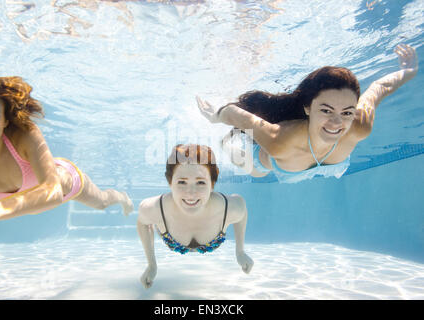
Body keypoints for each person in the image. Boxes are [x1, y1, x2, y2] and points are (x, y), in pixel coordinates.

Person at [196, 44, 418, 183]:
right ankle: (227, 143)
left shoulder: (359, 126)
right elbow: (235, 113)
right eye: (326, 110)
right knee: (255, 171)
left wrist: (407, 71)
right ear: (307, 108)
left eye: (347, 112)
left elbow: (379, 88)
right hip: (266, 161)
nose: (337, 122)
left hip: (322, 164)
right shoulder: (280, 140)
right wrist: (215, 117)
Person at [0, 75, 134, 234]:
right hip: (32, 198)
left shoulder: (23, 134)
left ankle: (121, 197)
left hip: (63, 182)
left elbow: (53, 192)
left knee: (102, 202)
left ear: (5, 120)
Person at [137, 144, 253, 289]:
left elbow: (242, 213)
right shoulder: (153, 209)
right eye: (182, 182)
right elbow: (143, 223)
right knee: (154, 221)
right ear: (170, 182)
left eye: (200, 182)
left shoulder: (229, 208)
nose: (191, 193)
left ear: (212, 184)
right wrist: (151, 265)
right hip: (164, 222)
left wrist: (240, 251)